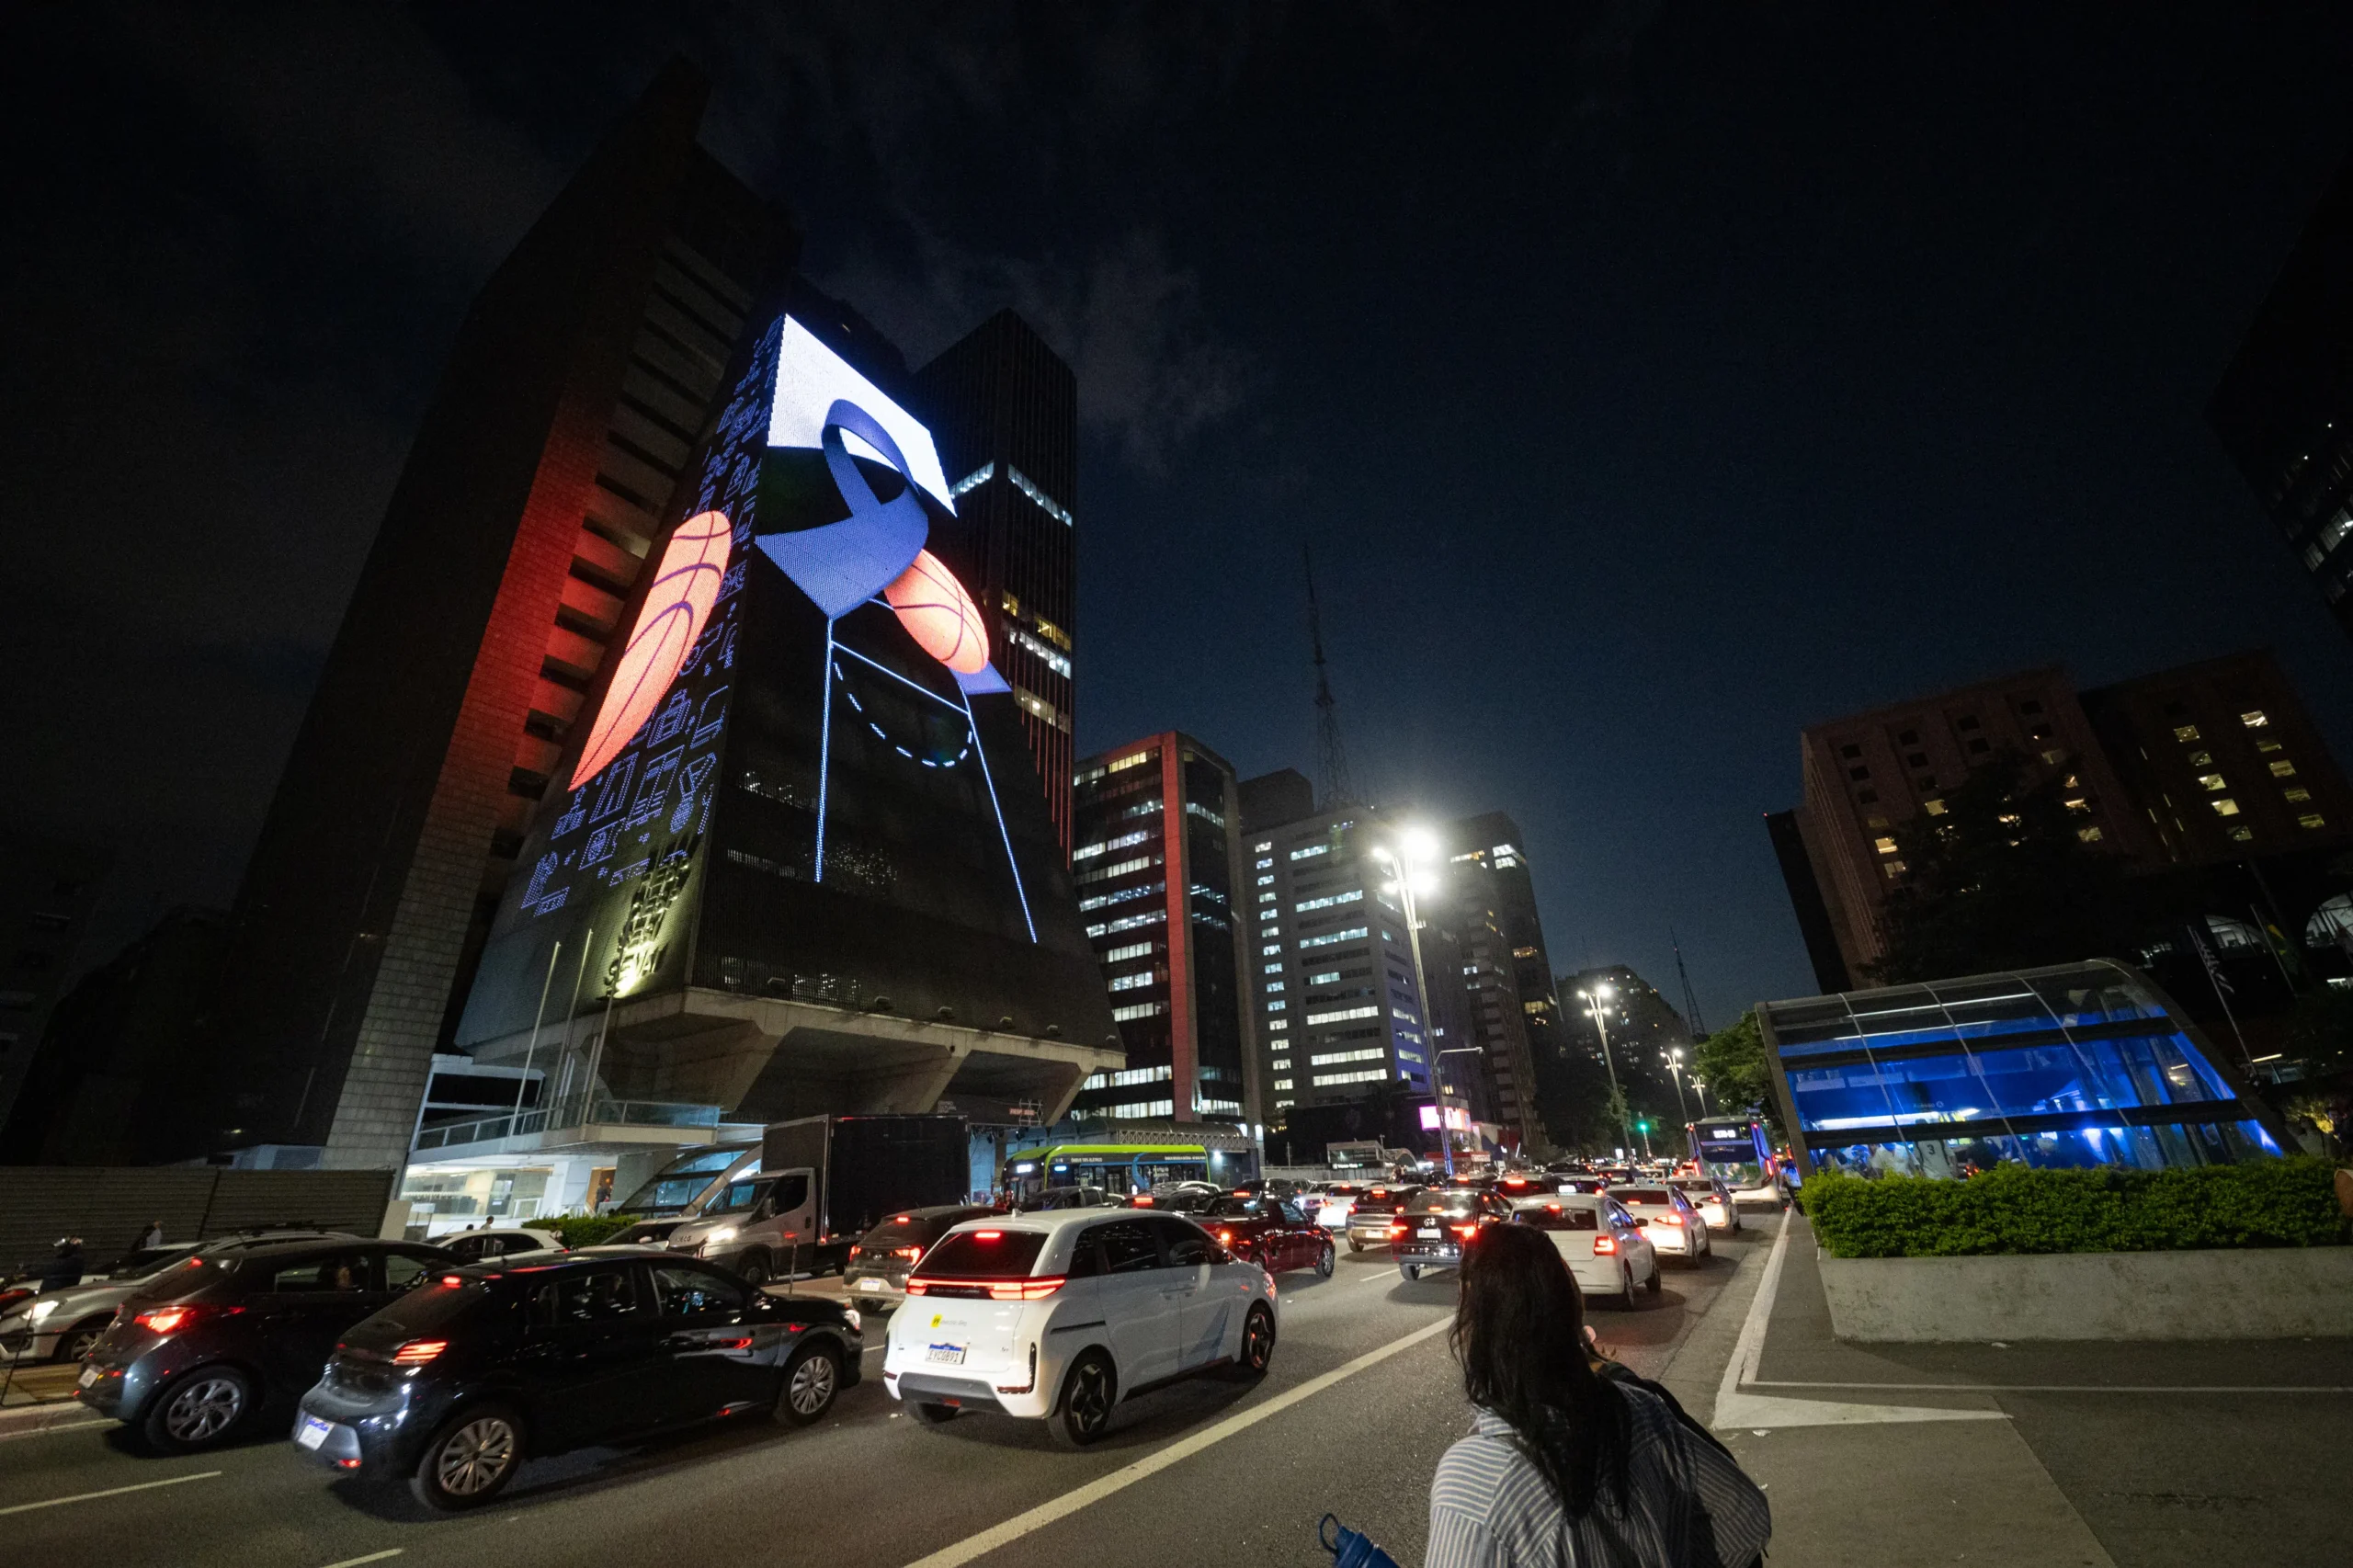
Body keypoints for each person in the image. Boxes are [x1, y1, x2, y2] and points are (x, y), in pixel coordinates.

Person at [1428, 1223, 1770, 1568]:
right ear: (1574, 1311)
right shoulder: (1641, 1413)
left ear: (1474, 1327)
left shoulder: (1477, 1480)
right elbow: (1744, 1517)